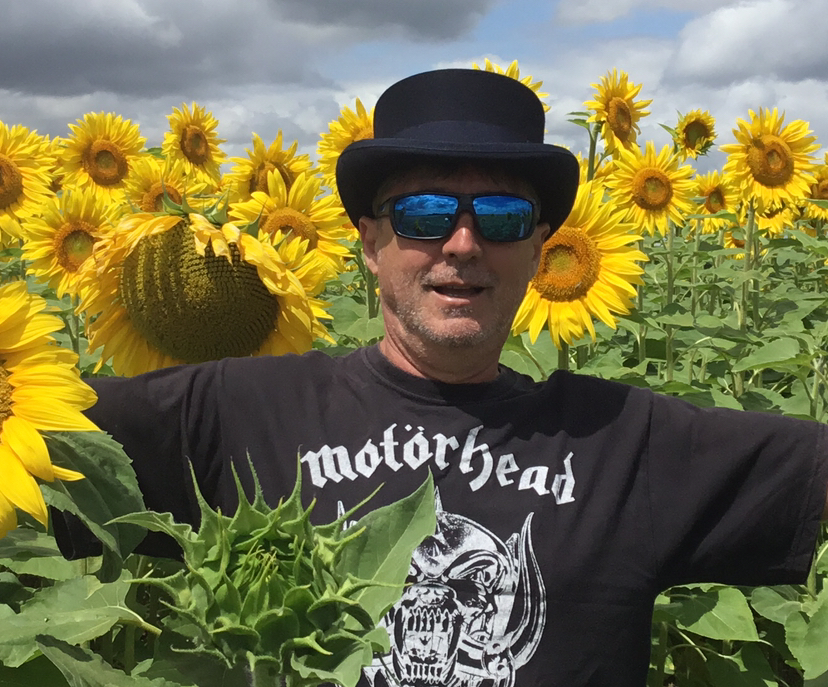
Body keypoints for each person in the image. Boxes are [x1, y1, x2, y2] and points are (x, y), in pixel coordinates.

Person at [58, 69, 828, 687]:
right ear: (370, 243)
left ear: (537, 249)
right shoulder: (237, 410)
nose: (462, 243)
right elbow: (28, 429)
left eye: (501, 217)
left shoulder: (628, 442)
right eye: (423, 214)